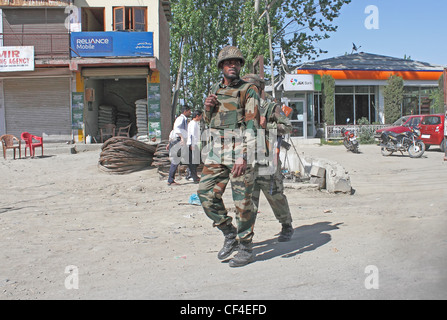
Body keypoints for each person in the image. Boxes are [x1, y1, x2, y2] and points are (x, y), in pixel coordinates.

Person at [197, 46, 261, 267]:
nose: (232, 65)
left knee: (242, 202)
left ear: (240, 66)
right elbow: (209, 121)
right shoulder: (215, 89)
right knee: (205, 194)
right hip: (217, 151)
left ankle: (246, 247)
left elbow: (253, 125)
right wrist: (207, 108)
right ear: (221, 66)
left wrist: (245, 155)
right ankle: (229, 232)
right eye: (228, 62)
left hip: (239, 151)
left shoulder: (248, 90)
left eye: (236, 62)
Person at [241, 74, 294, 242]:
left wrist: (267, 126)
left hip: (267, 161)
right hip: (248, 161)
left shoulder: (270, 107)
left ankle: (286, 225)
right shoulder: (242, 108)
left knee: (275, 196)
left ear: (259, 89)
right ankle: (245, 237)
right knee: (247, 201)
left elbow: (288, 127)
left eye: (251, 89)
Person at [167, 105, 192, 186]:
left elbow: (173, 131)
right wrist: (181, 138)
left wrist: (170, 142)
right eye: (189, 111)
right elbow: (176, 129)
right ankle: (170, 180)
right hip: (178, 141)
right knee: (176, 160)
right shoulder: (181, 119)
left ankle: (192, 175)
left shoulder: (183, 119)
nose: (190, 113)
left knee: (188, 158)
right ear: (185, 111)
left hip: (177, 141)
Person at [185, 109, 203, 183]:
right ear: (197, 116)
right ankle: (192, 176)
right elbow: (192, 134)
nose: (201, 117)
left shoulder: (195, 123)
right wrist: (192, 145)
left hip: (195, 144)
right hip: (192, 144)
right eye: (201, 116)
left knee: (196, 161)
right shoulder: (192, 124)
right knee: (193, 162)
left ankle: (192, 175)